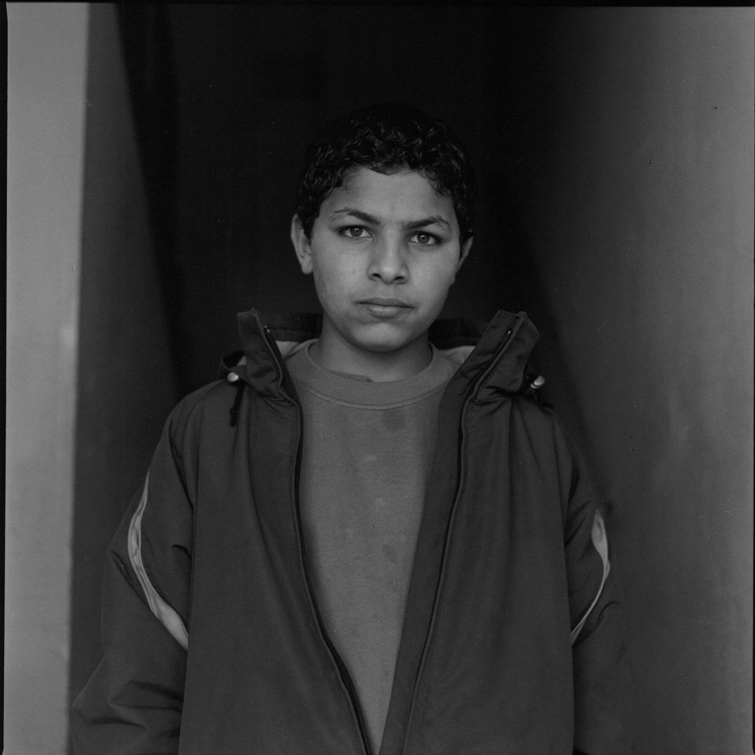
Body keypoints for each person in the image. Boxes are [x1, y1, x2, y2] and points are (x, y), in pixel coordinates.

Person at [70, 103, 632, 754]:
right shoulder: (210, 434)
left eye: (425, 237)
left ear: (462, 254)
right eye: (355, 230)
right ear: (304, 243)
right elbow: (135, 689)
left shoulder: (532, 445)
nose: (388, 266)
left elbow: (597, 685)